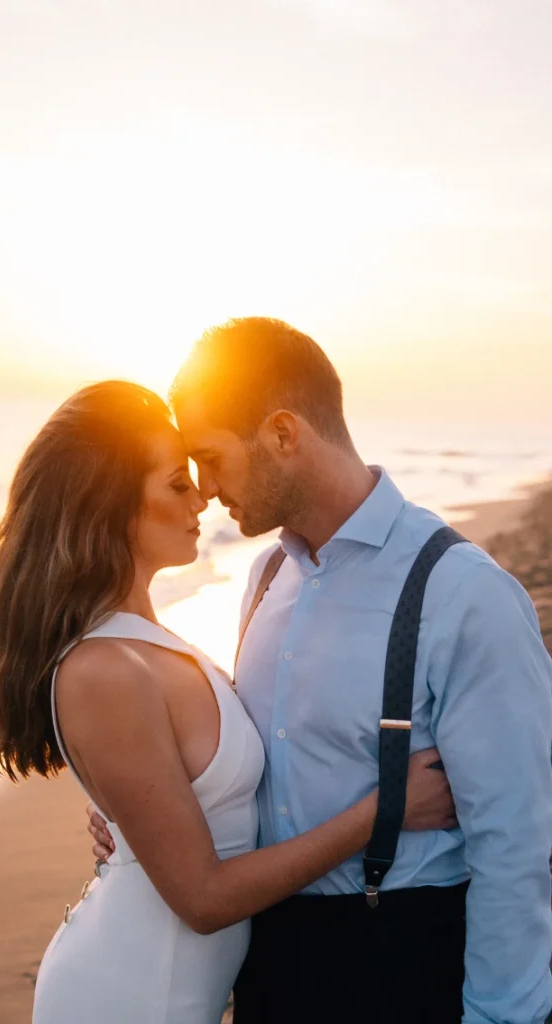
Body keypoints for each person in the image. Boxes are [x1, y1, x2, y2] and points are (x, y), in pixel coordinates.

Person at [91, 318, 552, 1024]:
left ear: (282, 433)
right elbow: (256, 767)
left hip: (404, 960)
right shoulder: (265, 577)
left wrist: (500, 1016)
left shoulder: (464, 593)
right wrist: (135, 818)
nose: (206, 489)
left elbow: (515, 845)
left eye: (211, 457)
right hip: (271, 964)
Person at [0, 380, 453, 1024]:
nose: (202, 497)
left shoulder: (150, 640)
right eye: (175, 484)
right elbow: (202, 899)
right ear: (108, 505)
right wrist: (385, 811)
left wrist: (125, 820)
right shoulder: (103, 669)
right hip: (130, 996)